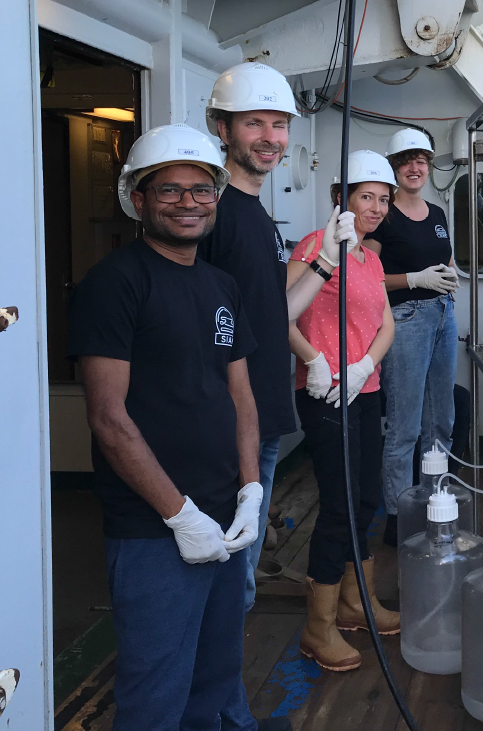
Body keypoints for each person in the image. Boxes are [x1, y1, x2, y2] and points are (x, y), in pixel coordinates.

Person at [67, 124, 287, 731]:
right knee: (155, 688)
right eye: (169, 191)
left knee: (216, 673)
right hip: (153, 529)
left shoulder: (221, 286)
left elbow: (240, 395)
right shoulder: (114, 284)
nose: (188, 202)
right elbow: (110, 419)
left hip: (223, 517)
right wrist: (179, 515)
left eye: (201, 190)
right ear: (137, 200)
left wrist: (250, 490)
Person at [200, 61, 359, 619]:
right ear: (223, 129)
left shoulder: (253, 214)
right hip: (231, 421)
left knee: (239, 567)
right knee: (230, 571)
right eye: (254, 124)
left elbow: (272, 317)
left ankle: (226, 702)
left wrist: (325, 261)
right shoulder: (215, 213)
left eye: (279, 125)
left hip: (263, 414)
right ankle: (219, 705)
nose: (271, 139)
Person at [287, 150, 400, 671]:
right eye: (366, 197)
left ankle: (357, 604)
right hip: (325, 392)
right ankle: (319, 628)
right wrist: (313, 361)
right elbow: (279, 313)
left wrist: (363, 367)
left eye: (383, 199)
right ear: (342, 197)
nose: (375, 207)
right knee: (339, 504)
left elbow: (387, 326)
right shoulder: (316, 246)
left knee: (367, 496)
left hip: (364, 387)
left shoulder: (371, 258)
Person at [363, 128, 458, 546]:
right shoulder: (385, 218)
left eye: (420, 159)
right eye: (405, 161)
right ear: (394, 169)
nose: (414, 167)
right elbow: (367, 278)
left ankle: (435, 502)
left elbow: (446, 258)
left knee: (442, 420)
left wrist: (451, 276)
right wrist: (415, 279)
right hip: (405, 319)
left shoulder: (436, 213)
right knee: (404, 426)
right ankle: (400, 518)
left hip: (443, 316)